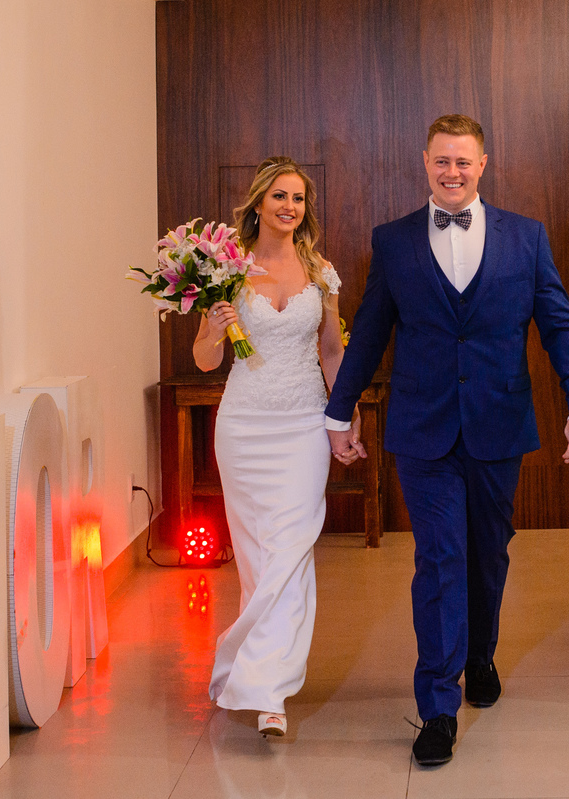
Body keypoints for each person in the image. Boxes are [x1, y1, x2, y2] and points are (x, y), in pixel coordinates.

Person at [324, 114, 569, 765]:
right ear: (425, 162)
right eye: (442, 160)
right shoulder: (392, 242)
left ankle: (480, 654)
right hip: (423, 432)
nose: (452, 171)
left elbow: (559, 326)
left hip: (500, 425)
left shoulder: (525, 238)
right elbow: (367, 334)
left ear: (483, 164)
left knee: (487, 556)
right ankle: (438, 706)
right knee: (440, 558)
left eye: (463, 161)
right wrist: (339, 413)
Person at [195, 156, 362, 738]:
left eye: (298, 199)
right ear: (259, 203)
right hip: (243, 428)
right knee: (257, 555)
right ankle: (257, 671)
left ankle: (270, 693)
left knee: (291, 548)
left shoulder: (322, 272)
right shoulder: (228, 271)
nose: (290, 207)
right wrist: (213, 329)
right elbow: (205, 359)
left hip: (302, 426)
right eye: (280, 197)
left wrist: (346, 418)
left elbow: (333, 351)